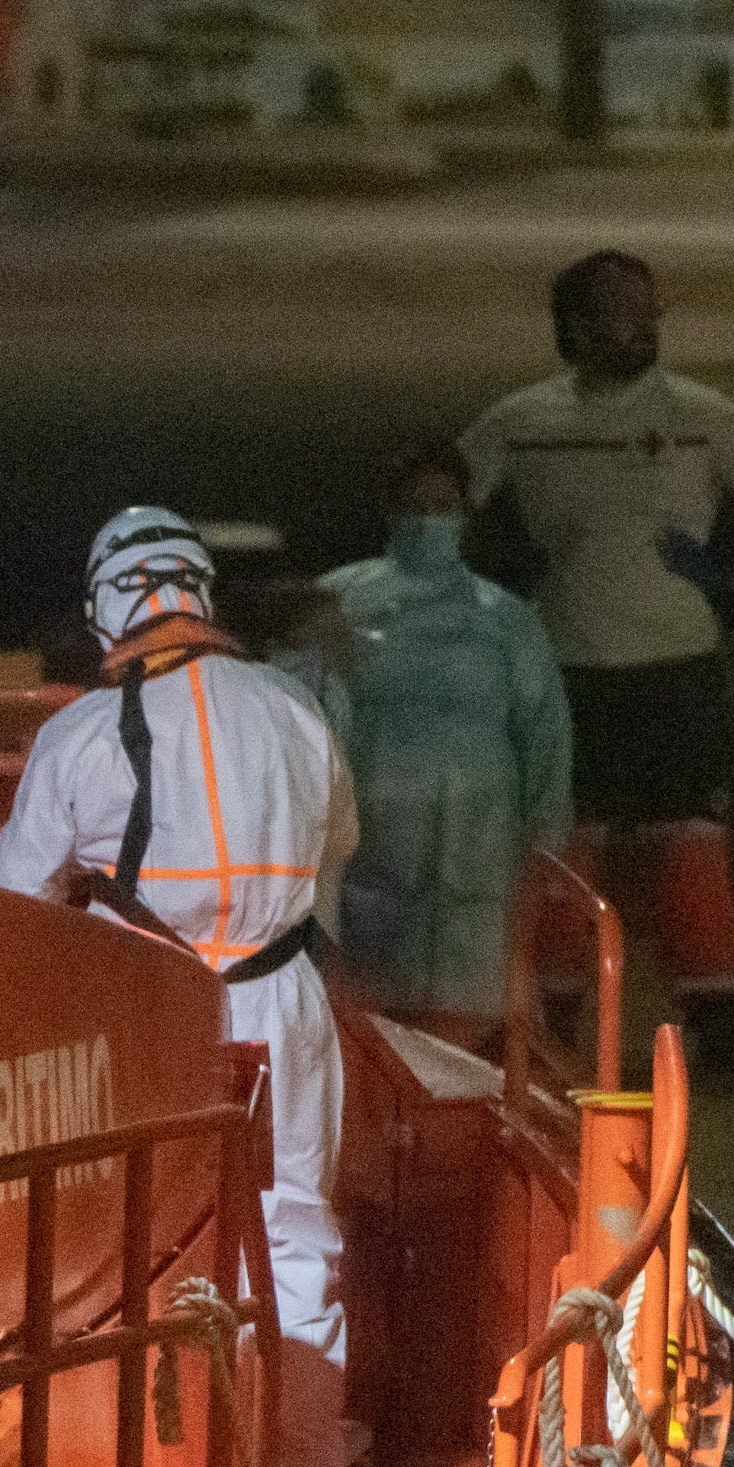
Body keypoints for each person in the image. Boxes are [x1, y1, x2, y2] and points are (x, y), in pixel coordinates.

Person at [0, 509, 361, 1467]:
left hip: (151, 1011)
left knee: (147, 1244)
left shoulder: (77, 735)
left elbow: (10, 908)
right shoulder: (293, 709)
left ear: (104, 611)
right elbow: (338, 844)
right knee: (295, 1232)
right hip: (284, 1000)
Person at [460, 250, 734, 1073]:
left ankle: (721, 1023)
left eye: (648, 307)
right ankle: (547, 1022)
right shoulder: (524, 419)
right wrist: (496, 583)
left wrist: (730, 572)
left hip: (679, 664)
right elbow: (448, 494)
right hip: (567, 665)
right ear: (575, 325)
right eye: (619, 308)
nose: (641, 323)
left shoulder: (697, 412)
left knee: (691, 845)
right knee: (567, 846)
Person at [294, 441, 576, 1035]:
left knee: (466, 1006)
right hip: (370, 840)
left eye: (441, 505)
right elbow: (297, 714)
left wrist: (546, 835)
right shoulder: (339, 601)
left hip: (480, 843)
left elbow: (544, 731)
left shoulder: (507, 618)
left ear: (465, 513)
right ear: (390, 511)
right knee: (370, 1010)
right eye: (414, 505)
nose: (428, 519)